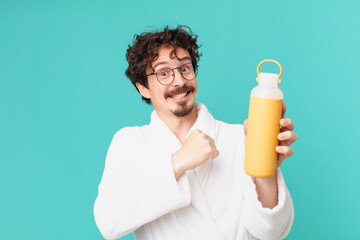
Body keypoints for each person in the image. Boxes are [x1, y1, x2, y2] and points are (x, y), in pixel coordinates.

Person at [93, 25, 297, 240]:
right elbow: (108, 222)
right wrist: (178, 162)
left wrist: (266, 175)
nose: (179, 81)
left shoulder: (240, 138)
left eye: (185, 68)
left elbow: (272, 232)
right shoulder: (131, 143)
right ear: (143, 88)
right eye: (164, 73)